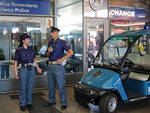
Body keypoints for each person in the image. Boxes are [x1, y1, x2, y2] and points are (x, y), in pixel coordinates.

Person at [44, 26, 73, 110]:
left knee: (61, 86)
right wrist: (48, 52)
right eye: (51, 33)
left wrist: (62, 59)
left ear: (56, 33)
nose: (51, 34)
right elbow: (47, 55)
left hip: (58, 66)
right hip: (50, 66)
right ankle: (51, 100)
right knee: (51, 85)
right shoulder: (50, 42)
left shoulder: (62, 42)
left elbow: (71, 52)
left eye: (52, 33)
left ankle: (64, 103)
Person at [14, 33, 42, 111]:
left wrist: (38, 68)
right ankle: (22, 104)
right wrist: (16, 72)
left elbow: (34, 59)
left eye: (29, 39)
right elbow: (15, 62)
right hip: (23, 69)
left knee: (30, 87)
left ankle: (29, 103)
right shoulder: (18, 50)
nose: (29, 40)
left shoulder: (31, 49)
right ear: (23, 41)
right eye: (28, 39)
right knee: (23, 87)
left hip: (31, 69)